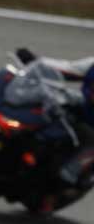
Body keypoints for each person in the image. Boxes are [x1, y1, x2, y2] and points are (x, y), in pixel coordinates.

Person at [16, 48, 94, 212]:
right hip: (78, 112)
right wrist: (35, 63)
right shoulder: (91, 65)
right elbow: (66, 68)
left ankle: (54, 194)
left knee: (70, 170)